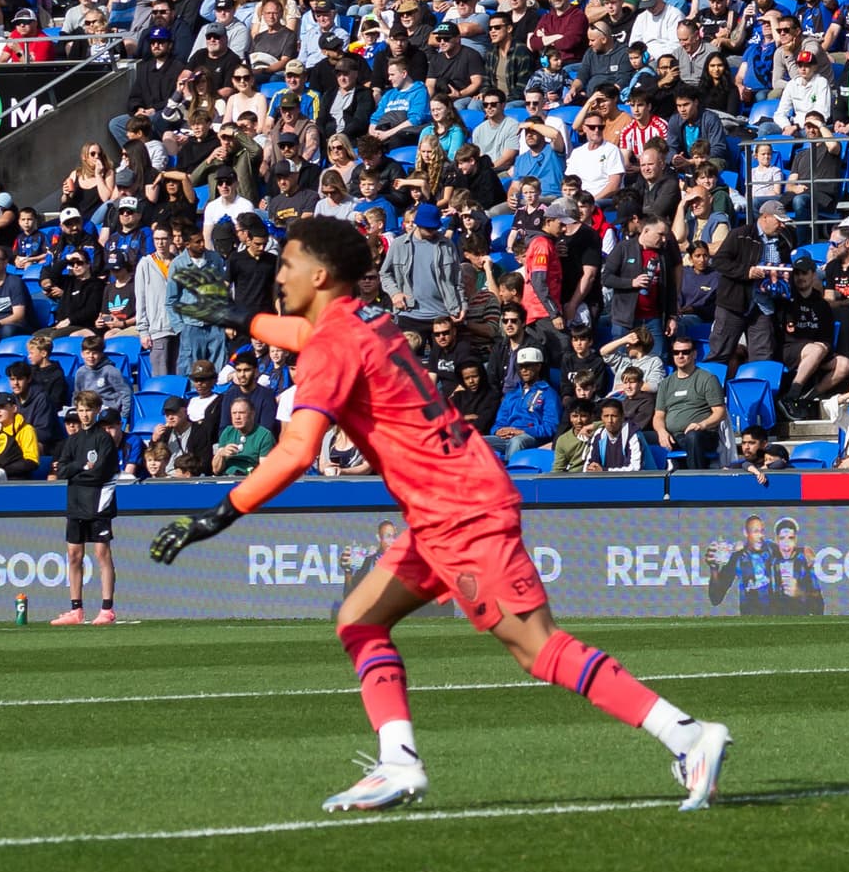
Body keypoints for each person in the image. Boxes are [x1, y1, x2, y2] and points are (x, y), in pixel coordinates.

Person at [149, 214, 733, 813]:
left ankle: (689, 736)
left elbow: (298, 450)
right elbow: (307, 338)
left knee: (537, 648)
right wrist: (238, 319)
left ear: (320, 275)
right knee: (359, 620)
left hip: (459, 506)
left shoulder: (331, 342)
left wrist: (217, 514)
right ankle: (398, 763)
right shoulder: (365, 320)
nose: (280, 274)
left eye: (290, 262)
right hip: (444, 502)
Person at [49, 400, 123, 625]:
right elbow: (62, 470)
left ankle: (107, 609)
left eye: (88, 410)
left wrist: (78, 471)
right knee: (74, 555)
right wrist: (81, 467)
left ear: (96, 411)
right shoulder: (72, 441)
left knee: (102, 553)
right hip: (75, 502)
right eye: (80, 410)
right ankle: (76, 609)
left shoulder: (103, 439)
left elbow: (100, 473)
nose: (84, 415)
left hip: (98, 502)